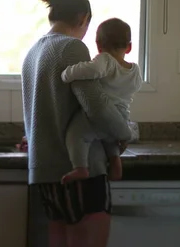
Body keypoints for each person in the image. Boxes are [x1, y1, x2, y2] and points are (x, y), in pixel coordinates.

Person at [21, 0, 132, 247]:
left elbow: (41, 109)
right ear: (83, 18)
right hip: (80, 171)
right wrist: (124, 131)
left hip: (46, 173)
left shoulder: (33, 51)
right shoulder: (71, 48)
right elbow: (95, 106)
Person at [60, 18, 143, 185]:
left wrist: (67, 73)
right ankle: (115, 162)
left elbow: (93, 70)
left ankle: (81, 168)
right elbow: (136, 87)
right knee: (110, 138)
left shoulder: (105, 60)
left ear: (98, 45)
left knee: (76, 135)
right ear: (129, 46)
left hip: (100, 114)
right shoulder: (135, 70)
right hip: (121, 116)